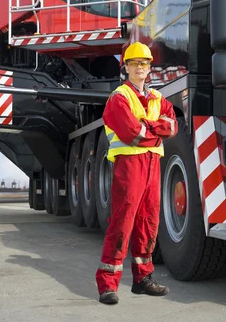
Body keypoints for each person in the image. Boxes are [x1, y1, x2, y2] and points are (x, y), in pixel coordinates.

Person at [95, 41, 177, 305]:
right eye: (135, 63)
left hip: (152, 165)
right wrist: (154, 129)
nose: (140, 68)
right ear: (126, 68)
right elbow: (132, 133)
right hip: (129, 167)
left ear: (149, 68)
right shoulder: (119, 98)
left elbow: (173, 126)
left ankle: (142, 279)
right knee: (122, 222)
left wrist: (148, 127)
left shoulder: (158, 98)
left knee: (148, 223)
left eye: (145, 64)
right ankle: (107, 285)